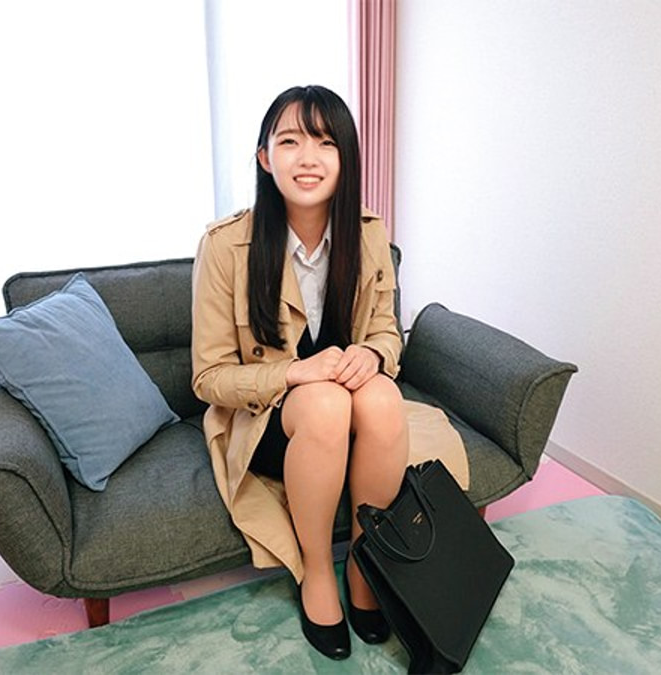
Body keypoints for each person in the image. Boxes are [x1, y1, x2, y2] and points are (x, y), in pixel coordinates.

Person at [191, 85, 428, 660]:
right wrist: (295, 374)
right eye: (290, 142)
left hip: (352, 416)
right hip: (273, 423)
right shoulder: (225, 246)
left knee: (381, 399)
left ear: (346, 158)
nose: (308, 158)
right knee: (325, 402)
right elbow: (208, 377)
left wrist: (373, 356)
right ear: (264, 157)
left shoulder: (369, 235)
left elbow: (386, 332)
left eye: (325, 142)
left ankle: (366, 566)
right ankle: (317, 569)